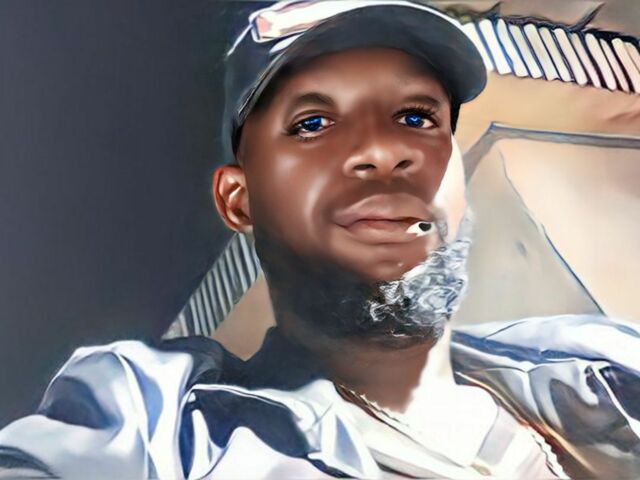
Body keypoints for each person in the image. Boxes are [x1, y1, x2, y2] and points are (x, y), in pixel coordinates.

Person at [0, 1, 638, 478]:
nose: (384, 151)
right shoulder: (157, 432)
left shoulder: (604, 371)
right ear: (239, 199)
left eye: (416, 116)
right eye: (312, 123)